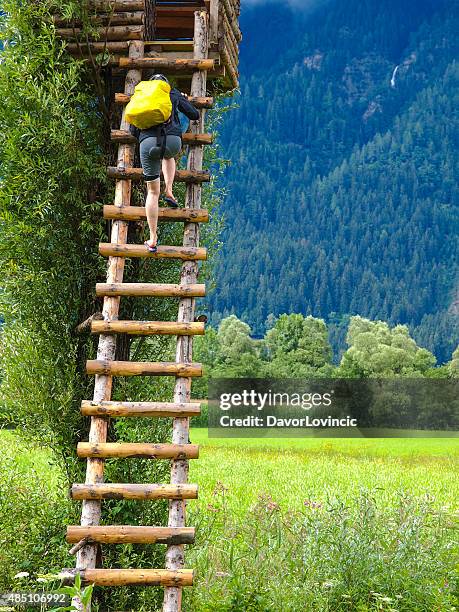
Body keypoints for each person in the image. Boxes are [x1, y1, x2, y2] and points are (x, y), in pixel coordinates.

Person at [129, 74, 200, 253]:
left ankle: (152, 239)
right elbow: (194, 114)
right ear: (165, 85)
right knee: (168, 156)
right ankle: (169, 190)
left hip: (147, 144)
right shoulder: (173, 94)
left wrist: (145, 137)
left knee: (152, 192)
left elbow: (131, 130)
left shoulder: (141, 97)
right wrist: (184, 99)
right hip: (172, 142)